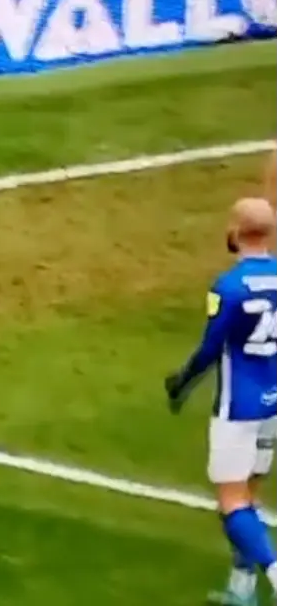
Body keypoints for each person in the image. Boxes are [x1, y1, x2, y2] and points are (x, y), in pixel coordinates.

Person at [165, 198, 281, 606]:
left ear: (235, 230)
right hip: (274, 402)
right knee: (248, 497)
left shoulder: (229, 287)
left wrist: (182, 383)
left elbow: (210, 349)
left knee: (232, 501)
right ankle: (241, 589)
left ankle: (277, 574)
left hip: (238, 408)